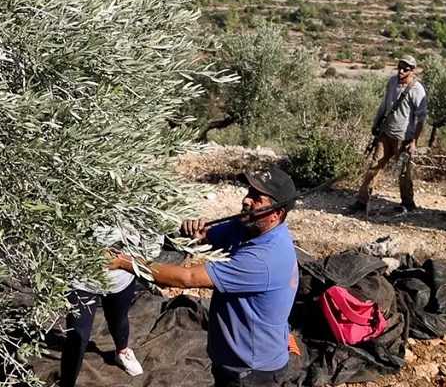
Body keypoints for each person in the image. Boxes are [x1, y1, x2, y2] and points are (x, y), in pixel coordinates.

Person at [110, 166, 299, 387]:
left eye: (257, 198)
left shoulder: (266, 259)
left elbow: (187, 278)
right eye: (249, 192)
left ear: (276, 214)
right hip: (231, 360)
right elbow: (210, 236)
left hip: (251, 371)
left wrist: (127, 263)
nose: (247, 200)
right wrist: (200, 236)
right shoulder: (247, 226)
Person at [60, 230, 144, 387]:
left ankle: (122, 352)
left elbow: (153, 234)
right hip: (81, 281)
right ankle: (66, 383)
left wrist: (133, 261)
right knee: (77, 337)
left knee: (119, 320)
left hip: (121, 278)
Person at [353, 55, 428, 215]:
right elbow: (384, 105)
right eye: (399, 67)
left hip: (403, 138)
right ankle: (362, 200)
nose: (401, 71)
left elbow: (421, 119)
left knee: (403, 172)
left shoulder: (417, 90)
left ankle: (408, 203)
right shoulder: (392, 82)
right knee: (374, 166)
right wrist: (376, 123)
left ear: (412, 71)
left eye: (405, 69)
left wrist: (414, 141)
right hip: (385, 134)